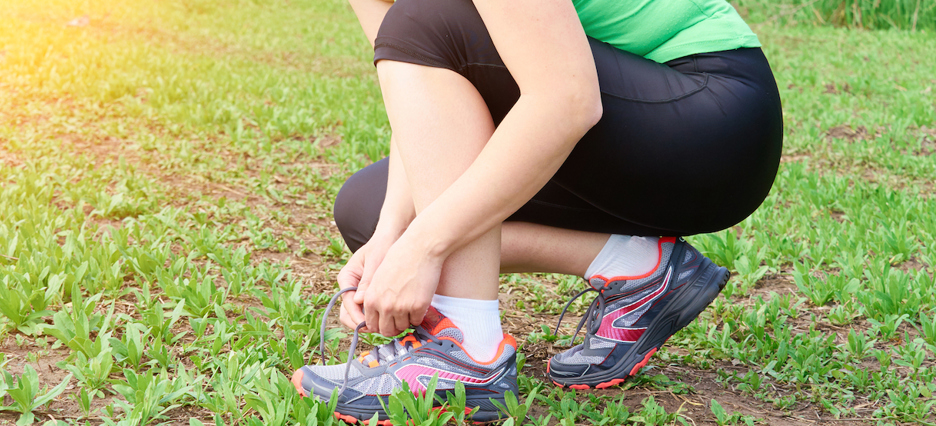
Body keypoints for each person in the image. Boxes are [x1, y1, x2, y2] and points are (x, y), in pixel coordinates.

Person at [291, 0, 782, 421]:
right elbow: (420, 85)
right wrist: (391, 236)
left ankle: (468, 348)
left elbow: (566, 100)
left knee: (424, 15)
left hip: (711, 120)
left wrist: (423, 246)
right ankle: (640, 270)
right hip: (627, 120)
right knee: (367, 209)